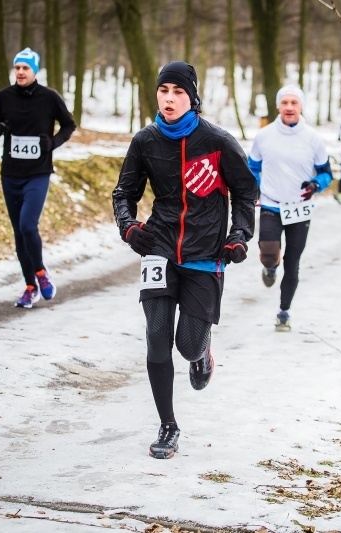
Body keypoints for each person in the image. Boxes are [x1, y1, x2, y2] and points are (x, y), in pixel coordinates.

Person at [112, 61, 257, 460]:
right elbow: (123, 193)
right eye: (163, 91)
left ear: (192, 97)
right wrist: (128, 227)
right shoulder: (145, 141)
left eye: (178, 91)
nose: (169, 98)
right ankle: (168, 425)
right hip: (158, 247)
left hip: (204, 254)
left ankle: (203, 352)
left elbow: (246, 192)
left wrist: (239, 235)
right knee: (157, 337)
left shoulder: (217, 141)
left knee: (186, 345)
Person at [0, 47, 76, 308]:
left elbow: (69, 124)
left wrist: (53, 142)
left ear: (35, 71)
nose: (21, 72)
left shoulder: (49, 98)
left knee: (27, 226)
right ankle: (30, 286)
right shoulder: (4, 97)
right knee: (18, 234)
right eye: (18, 68)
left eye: (26, 68)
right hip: (10, 174)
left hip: (38, 173)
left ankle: (42, 274)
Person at [248, 85, 333, 332]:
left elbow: (327, 173)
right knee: (268, 250)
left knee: (292, 262)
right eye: (284, 102)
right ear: (278, 106)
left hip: (300, 208)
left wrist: (316, 185)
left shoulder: (313, 138)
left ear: (301, 107)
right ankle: (269, 266)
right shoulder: (264, 136)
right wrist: (255, 188)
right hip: (271, 203)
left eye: (294, 103)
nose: (289, 107)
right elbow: (252, 167)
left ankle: (284, 311)